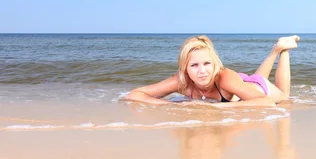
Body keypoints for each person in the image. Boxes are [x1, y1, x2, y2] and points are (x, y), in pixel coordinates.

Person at [124, 35, 300, 107]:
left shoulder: (224, 77)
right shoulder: (180, 81)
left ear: (215, 64)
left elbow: (265, 102)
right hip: (243, 86)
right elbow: (134, 94)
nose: (202, 71)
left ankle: (283, 50)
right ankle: (274, 51)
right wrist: (172, 105)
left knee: (284, 97)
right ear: (185, 68)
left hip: (259, 89)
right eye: (194, 66)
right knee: (252, 80)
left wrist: (218, 110)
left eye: (207, 64)